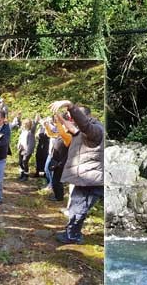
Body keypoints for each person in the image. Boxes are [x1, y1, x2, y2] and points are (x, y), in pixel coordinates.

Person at [49, 100, 104, 244]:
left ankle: (73, 236)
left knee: (79, 208)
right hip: (85, 177)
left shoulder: (96, 130)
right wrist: (60, 119)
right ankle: (71, 232)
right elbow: (75, 130)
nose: (71, 119)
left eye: (73, 116)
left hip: (91, 178)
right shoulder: (87, 130)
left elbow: (83, 126)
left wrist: (70, 106)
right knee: (76, 206)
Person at [17, 115, 39, 181]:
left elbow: (34, 125)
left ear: (28, 125)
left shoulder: (31, 132)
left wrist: (36, 120)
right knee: (20, 162)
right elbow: (20, 139)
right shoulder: (23, 131)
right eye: (24, 124)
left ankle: (26, 175)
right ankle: (22, 173)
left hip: (27, 150)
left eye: (25, 124)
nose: (23, 125)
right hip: (21, 149)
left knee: (24, 162)